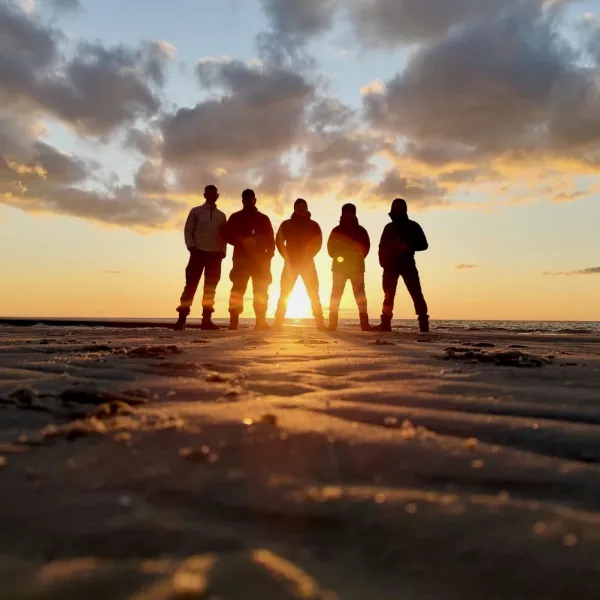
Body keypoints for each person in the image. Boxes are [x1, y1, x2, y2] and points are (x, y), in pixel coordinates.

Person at [174, 185, 226, 331]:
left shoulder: (221, 215)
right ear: (204, 195)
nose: (211, 196)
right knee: (190, 286)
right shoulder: (196, 212)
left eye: (214, 194)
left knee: (210, 289)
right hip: (198, 253)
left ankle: (206, 320)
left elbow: (224, 235)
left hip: (215, 255)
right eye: (208, 194)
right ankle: (181, 319)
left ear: (217, 196)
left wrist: (222, 252)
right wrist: (191, 247)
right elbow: (188, 230)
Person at [374, 198, 430, 333]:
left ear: (404, 209)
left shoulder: (413, 226)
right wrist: (383, 263)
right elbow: (381, 246)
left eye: (400, 208)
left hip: (407, 264)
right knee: (388, 296)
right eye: (395, 207)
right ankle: (385, 324)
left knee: (416, 293)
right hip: (390, 266)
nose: (397, 210)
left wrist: (407, 246)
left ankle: (424, 324)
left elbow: (424, 245)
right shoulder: (388, 227)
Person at [223, 189, 275, 331]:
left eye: (251, 199)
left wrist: (266, 254)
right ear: (242, 200)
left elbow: (271, 240)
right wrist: (243, 241)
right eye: (246, 199)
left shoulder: (263, 219)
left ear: (255, 200)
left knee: (261, 292)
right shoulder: (235, 217)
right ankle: (233, 322)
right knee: (237, 291)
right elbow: (227, 235)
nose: (249, 202)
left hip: (260, 262)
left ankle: (260, 321)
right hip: (241, 261)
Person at [274, 198, 326, 330]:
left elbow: (318, 242)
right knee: (285, 292)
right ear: (295, 209)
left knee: (313, 292)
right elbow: (279, 240)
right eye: (300, 206)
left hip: (307, 263)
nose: (302, 208)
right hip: (291, 263)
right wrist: (286, 256)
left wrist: (309, 254)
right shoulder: (287, 224)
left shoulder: (313, 225)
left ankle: (320, 322)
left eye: (304, 206)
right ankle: (278, 322)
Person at [327, 203, 371, 331]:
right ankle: (332, 324)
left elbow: (366, 248)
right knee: (336, 295)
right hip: (339, 269)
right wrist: (340, 255)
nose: (349, 215)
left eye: (351, 212)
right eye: (347, 212)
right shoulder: (336, 230)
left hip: (356, 268)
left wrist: (358, 256)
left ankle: (364, 324)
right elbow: (330, 249)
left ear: (355, 214)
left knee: (360, 296)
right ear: (342, 214)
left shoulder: (361, 230)